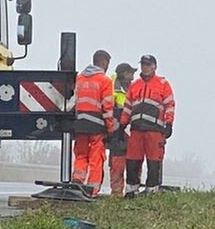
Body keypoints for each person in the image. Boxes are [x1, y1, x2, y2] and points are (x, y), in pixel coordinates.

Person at [125, 54, 176, 195]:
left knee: (154, 160)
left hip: (155, 130)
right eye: (143, 64)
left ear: (154, 66)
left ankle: (152, 190)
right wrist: (122, 124)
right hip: (136, 129)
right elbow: (127, 106)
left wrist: (169, 123)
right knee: (132, 160)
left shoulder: (163, 84)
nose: (145, 67)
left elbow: (169, 105)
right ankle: (131, 190)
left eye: (148, 64)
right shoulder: (134, 85)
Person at [70, 50, 115, 195]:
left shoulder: (80, 78)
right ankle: (92, 189)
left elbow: (75, 100)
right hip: (97, 125)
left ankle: (77, 180)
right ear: (104, 62)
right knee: (96, 158)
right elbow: (107, 107)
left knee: (81, 154)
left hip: (80, 123)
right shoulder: (105, 81)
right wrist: (110, 128)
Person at [106, 61, 135, 197]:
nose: (133, 78)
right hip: (117, 132)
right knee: (117, 162)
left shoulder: (133, 88)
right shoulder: (112, 88)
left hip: (130, 130)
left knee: (134, 162)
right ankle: (116, 192)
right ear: (124, 75)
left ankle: (131, 191)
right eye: (130, 74)